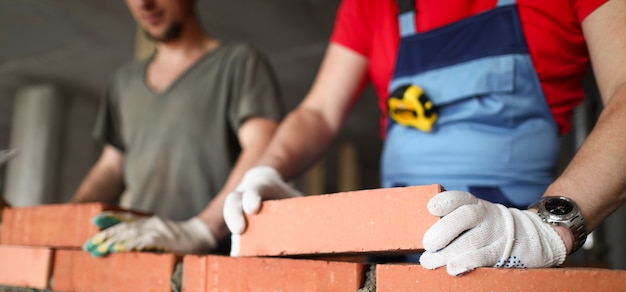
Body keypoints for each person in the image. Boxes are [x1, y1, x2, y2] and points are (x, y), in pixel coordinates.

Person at [223, 0, 626, 275]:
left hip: (515, 259)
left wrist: (546, 228)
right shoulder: (372, 5)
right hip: (393, 268)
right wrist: (265, 169)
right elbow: (318, 112)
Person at [71, 0, 284, 256]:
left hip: (215, 259)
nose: (145, 4)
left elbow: (262, 145)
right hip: (140, 251)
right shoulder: (122, 82)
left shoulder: (238, 62)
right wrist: (65, 219)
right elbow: (111, 166)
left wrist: (201, 230)